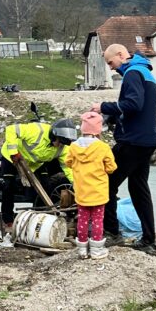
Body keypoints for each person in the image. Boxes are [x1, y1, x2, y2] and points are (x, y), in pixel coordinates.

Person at [91, 44, 156, 253]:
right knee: (139, 190)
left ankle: (112, 233)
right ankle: (149, 240)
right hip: (148, 140)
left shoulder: (132, 73)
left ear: (121, 55)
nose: (111, 68)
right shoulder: (146, 72)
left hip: (132, 142)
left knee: (105, 183)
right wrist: (115, 116)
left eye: (111, 63)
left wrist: (103, 107)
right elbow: (139, 108)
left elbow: (133, 104)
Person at [0, 117, 76, 246]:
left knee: (46, 186)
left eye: (63, 143)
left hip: (35, 163)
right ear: (54, 135)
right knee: (8, 187)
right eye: (60, 142)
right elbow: (11, 130)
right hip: (12, 158)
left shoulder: (63, 148)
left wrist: (76, 183)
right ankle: (8, 220)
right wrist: (14, 152)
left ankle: (40, 217)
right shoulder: (37, 130)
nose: (60, 145)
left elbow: (68, 168)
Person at [65, 111, 117, 260]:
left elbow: (68, 162)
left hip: (82, 191)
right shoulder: (103, 147)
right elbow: (111, 167)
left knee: (82, 218)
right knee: (97, 220)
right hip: (98, 191)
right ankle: (96, 250)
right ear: (98, 130)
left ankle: (82, 249)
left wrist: (78, 167)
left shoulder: (74, 147)